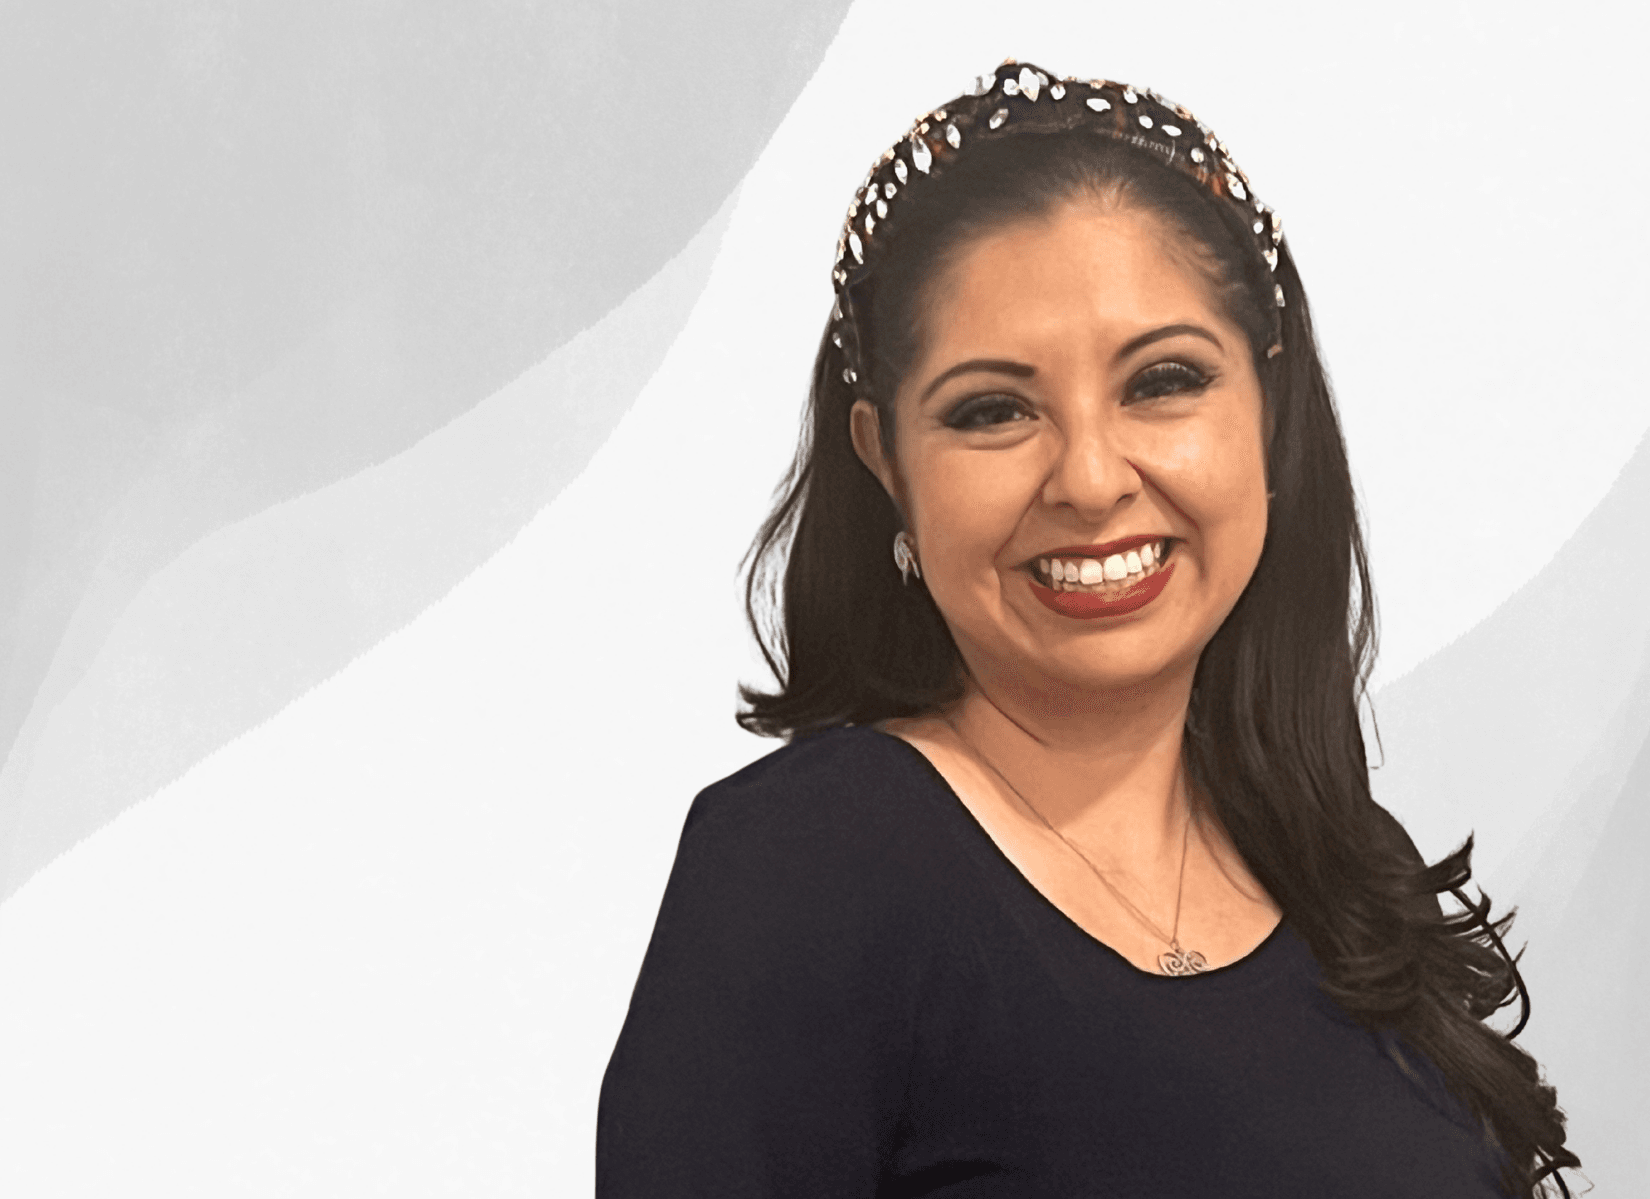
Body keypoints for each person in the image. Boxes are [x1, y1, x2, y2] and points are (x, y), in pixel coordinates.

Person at [595, 61, 1579, 1197]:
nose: (1093, 478)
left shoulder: (1346, 873)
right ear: (886, 461)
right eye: (993, 410)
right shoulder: (804, 871)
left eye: (1161, 381)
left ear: (1268, 410)